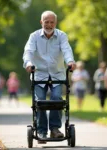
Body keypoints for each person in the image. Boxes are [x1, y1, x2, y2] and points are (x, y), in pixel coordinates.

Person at [23, 10, 76, 143]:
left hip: (57, 73)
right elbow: (28, 51)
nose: (49, 25)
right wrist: (28, 63)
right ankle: (41, 131)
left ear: (55, 23)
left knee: (57, 99)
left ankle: (54, 129)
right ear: (41, 22)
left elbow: (66, 49)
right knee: (40, 102)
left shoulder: (61, 36)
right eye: (46, 22)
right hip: (39, 74)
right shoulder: (34, 36)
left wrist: (70, 61)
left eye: (52, 22)